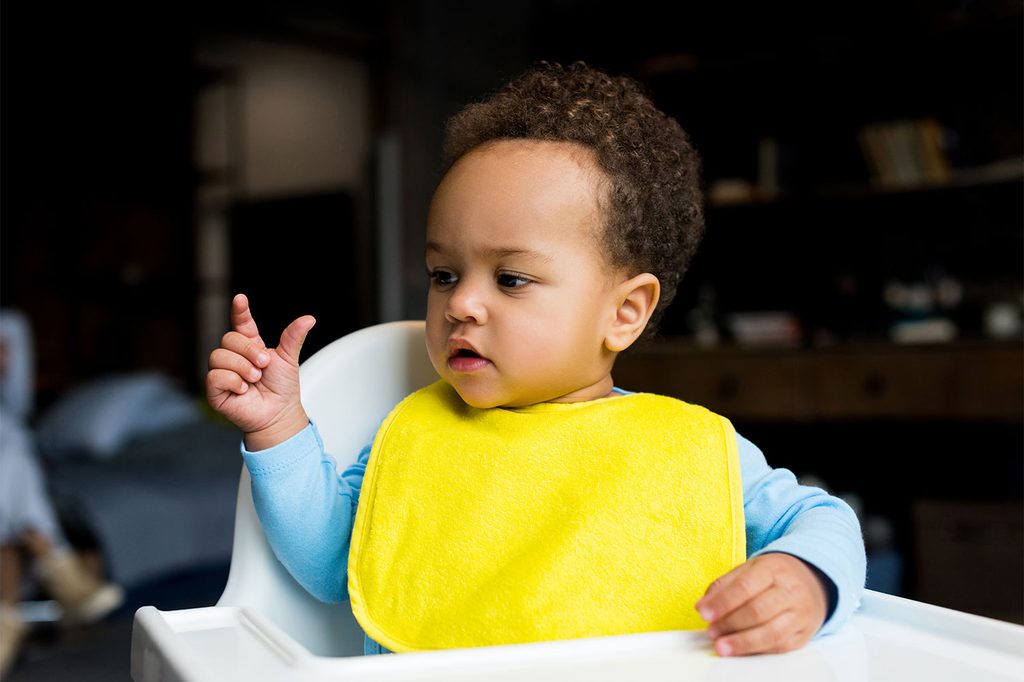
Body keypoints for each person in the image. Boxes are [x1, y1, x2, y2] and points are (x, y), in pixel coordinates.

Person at [206, 61, 865, 657]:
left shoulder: (686, 447)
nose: (461, 303)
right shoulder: (411, 436)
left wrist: (806, 580)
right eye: (442, 274)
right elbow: (330, 568)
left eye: (511, 279)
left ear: (624, 312)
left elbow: (821, 519)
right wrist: (278, 428)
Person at [0, 310, 124, 677]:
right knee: (13, 455)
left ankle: (45, 561)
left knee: (11, 450)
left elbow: (17, 403)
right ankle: (54, 557)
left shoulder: (11, 325)